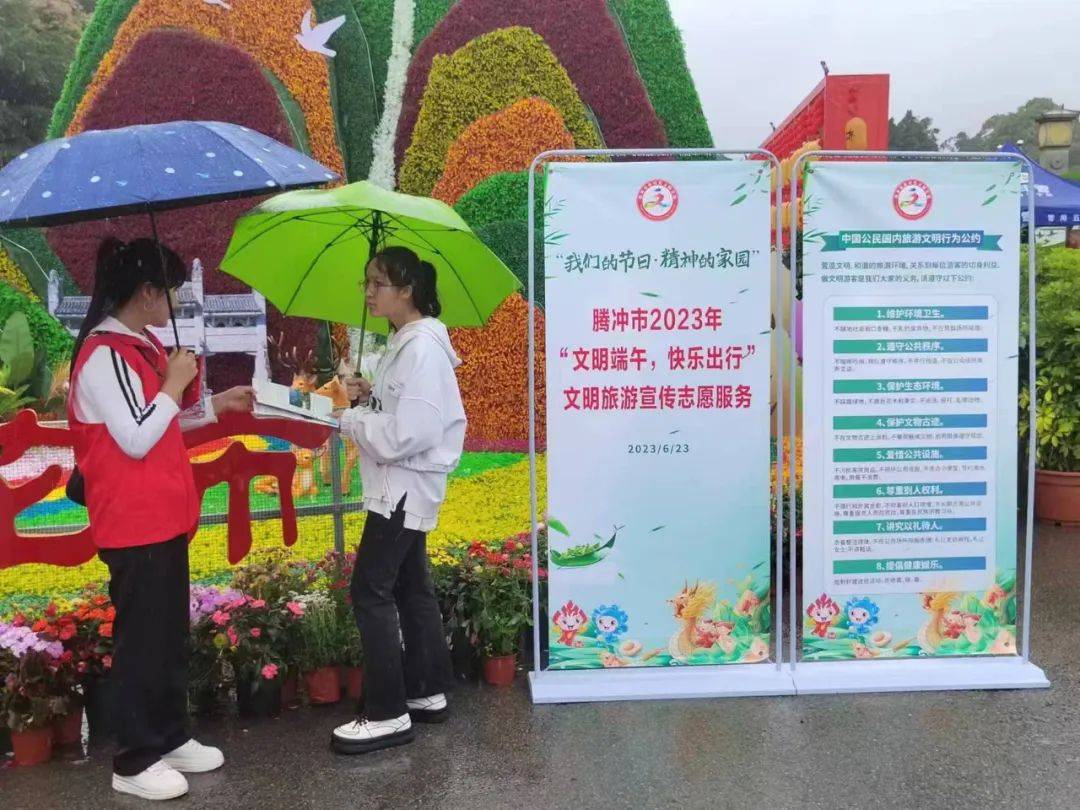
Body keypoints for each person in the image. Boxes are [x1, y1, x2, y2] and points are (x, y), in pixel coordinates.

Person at [67, 237, 254, 800]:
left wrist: (212, 406)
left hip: (163, 516)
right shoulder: (104, 354)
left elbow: (161, 420)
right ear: (147, 293)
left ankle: (169, 736)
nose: (174, 301)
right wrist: (173, 383)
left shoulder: (141, 345)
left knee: (168, 635)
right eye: (169, 291)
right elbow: (135, 436)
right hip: (133, 521)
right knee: (142, 641)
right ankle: (134, 758)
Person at [331, 246, 465, 755]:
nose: (368, 292)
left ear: (406, 290)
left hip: (403, 488)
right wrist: (370, 394)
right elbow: (404, 409)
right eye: (366, 282)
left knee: (370, 590)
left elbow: (413, 431)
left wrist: (352, 419)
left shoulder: (421, 348)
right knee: (411, 586)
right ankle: (426, 690)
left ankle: (387, 713)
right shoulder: (407, 342)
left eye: (378, 283)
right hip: (405, 486)